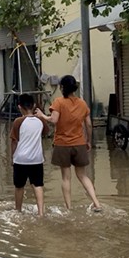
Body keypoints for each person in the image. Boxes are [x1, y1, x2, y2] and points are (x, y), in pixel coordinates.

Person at [34, 75, 102, 212]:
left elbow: (53, 120)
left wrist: (42, 115)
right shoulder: (83, 103)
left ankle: (69, 208)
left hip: (62, 144)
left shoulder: (59, 102)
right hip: (79, 143)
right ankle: (97, 203)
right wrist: (88, 141)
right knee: (83, 175)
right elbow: (88, 125)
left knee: (66, 178)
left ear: (62, 87)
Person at [10, 94, 48, 216]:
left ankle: (18, 210)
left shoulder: (18, 121)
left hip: (20, 159)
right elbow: (46, 133)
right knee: (38, 185)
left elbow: (14, 141)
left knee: (19, 186)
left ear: (20, 107)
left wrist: (12, 157)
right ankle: (41, 213)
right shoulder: (41, 121)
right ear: (34, 106)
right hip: (37, 159)